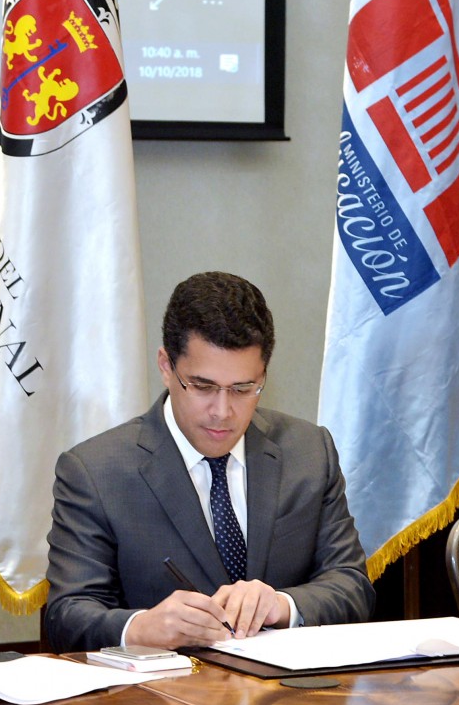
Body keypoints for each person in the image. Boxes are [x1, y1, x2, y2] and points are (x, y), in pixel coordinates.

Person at [44, 272, 375, 653]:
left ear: (263, 375)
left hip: (289, 698)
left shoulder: (308, 451)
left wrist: (282, 606)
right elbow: (66, 616)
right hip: (161, 701)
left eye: (242, 389)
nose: (222, 411)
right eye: (202, 387)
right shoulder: (95, 471)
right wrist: (139, 627)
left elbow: (351, 585)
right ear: (166, 366)